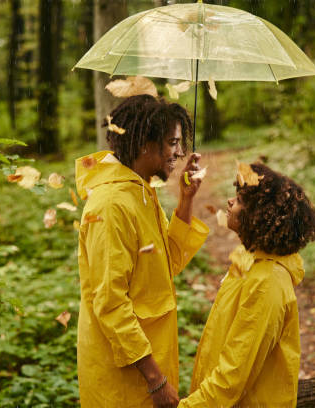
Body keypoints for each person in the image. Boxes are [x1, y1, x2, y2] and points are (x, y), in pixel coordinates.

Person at [75, 94, 209, 408]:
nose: (180, 152)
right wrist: (155, 379)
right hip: (126, 381)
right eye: (172, 142)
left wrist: (186, 200)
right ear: (144, 144)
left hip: (151, 363)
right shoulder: (110, 206)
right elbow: (110, 301)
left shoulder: (141, 192)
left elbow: (169, 262)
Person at [179, 163, 315, 408]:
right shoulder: (249, 260)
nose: (231, 202)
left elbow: (235, 372)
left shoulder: (267, 283)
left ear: (261, 216)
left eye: (241, 200)